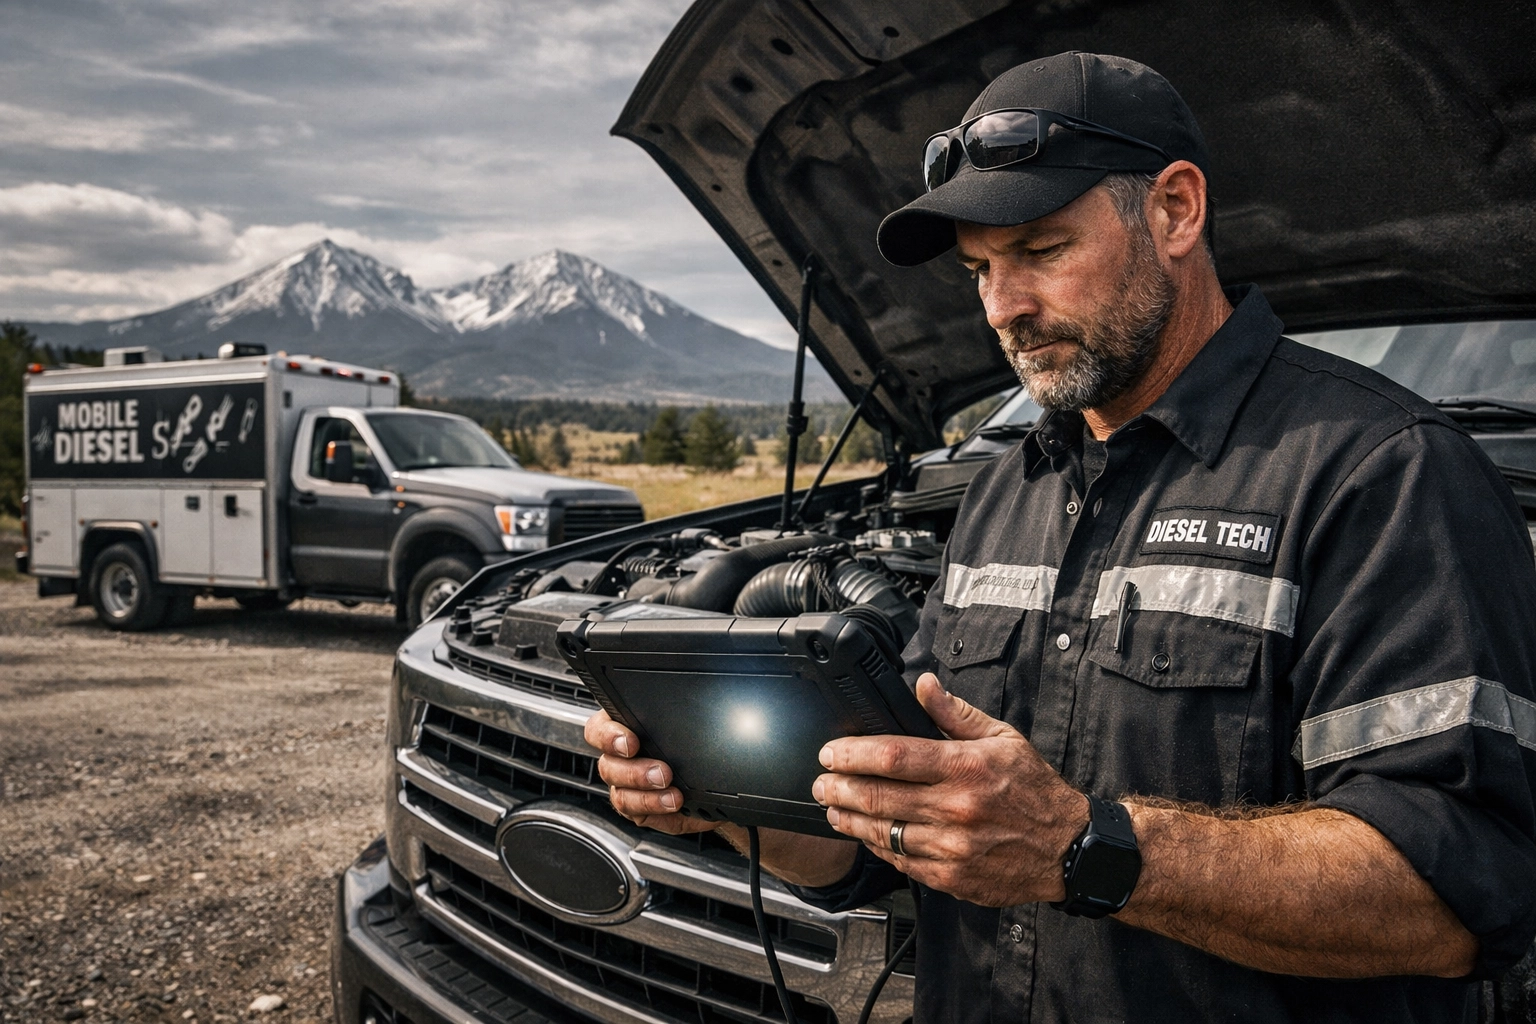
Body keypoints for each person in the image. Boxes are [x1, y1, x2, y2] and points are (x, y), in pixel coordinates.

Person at [586, 51, 1536, 1022]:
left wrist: (1087, 847)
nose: (1002, 308)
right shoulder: (1001, 493)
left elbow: (1459, 890)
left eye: (1040, 251)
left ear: (1174, 211)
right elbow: (886, 847)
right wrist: (724, 798)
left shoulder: (1384, 473)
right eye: (981, 269)